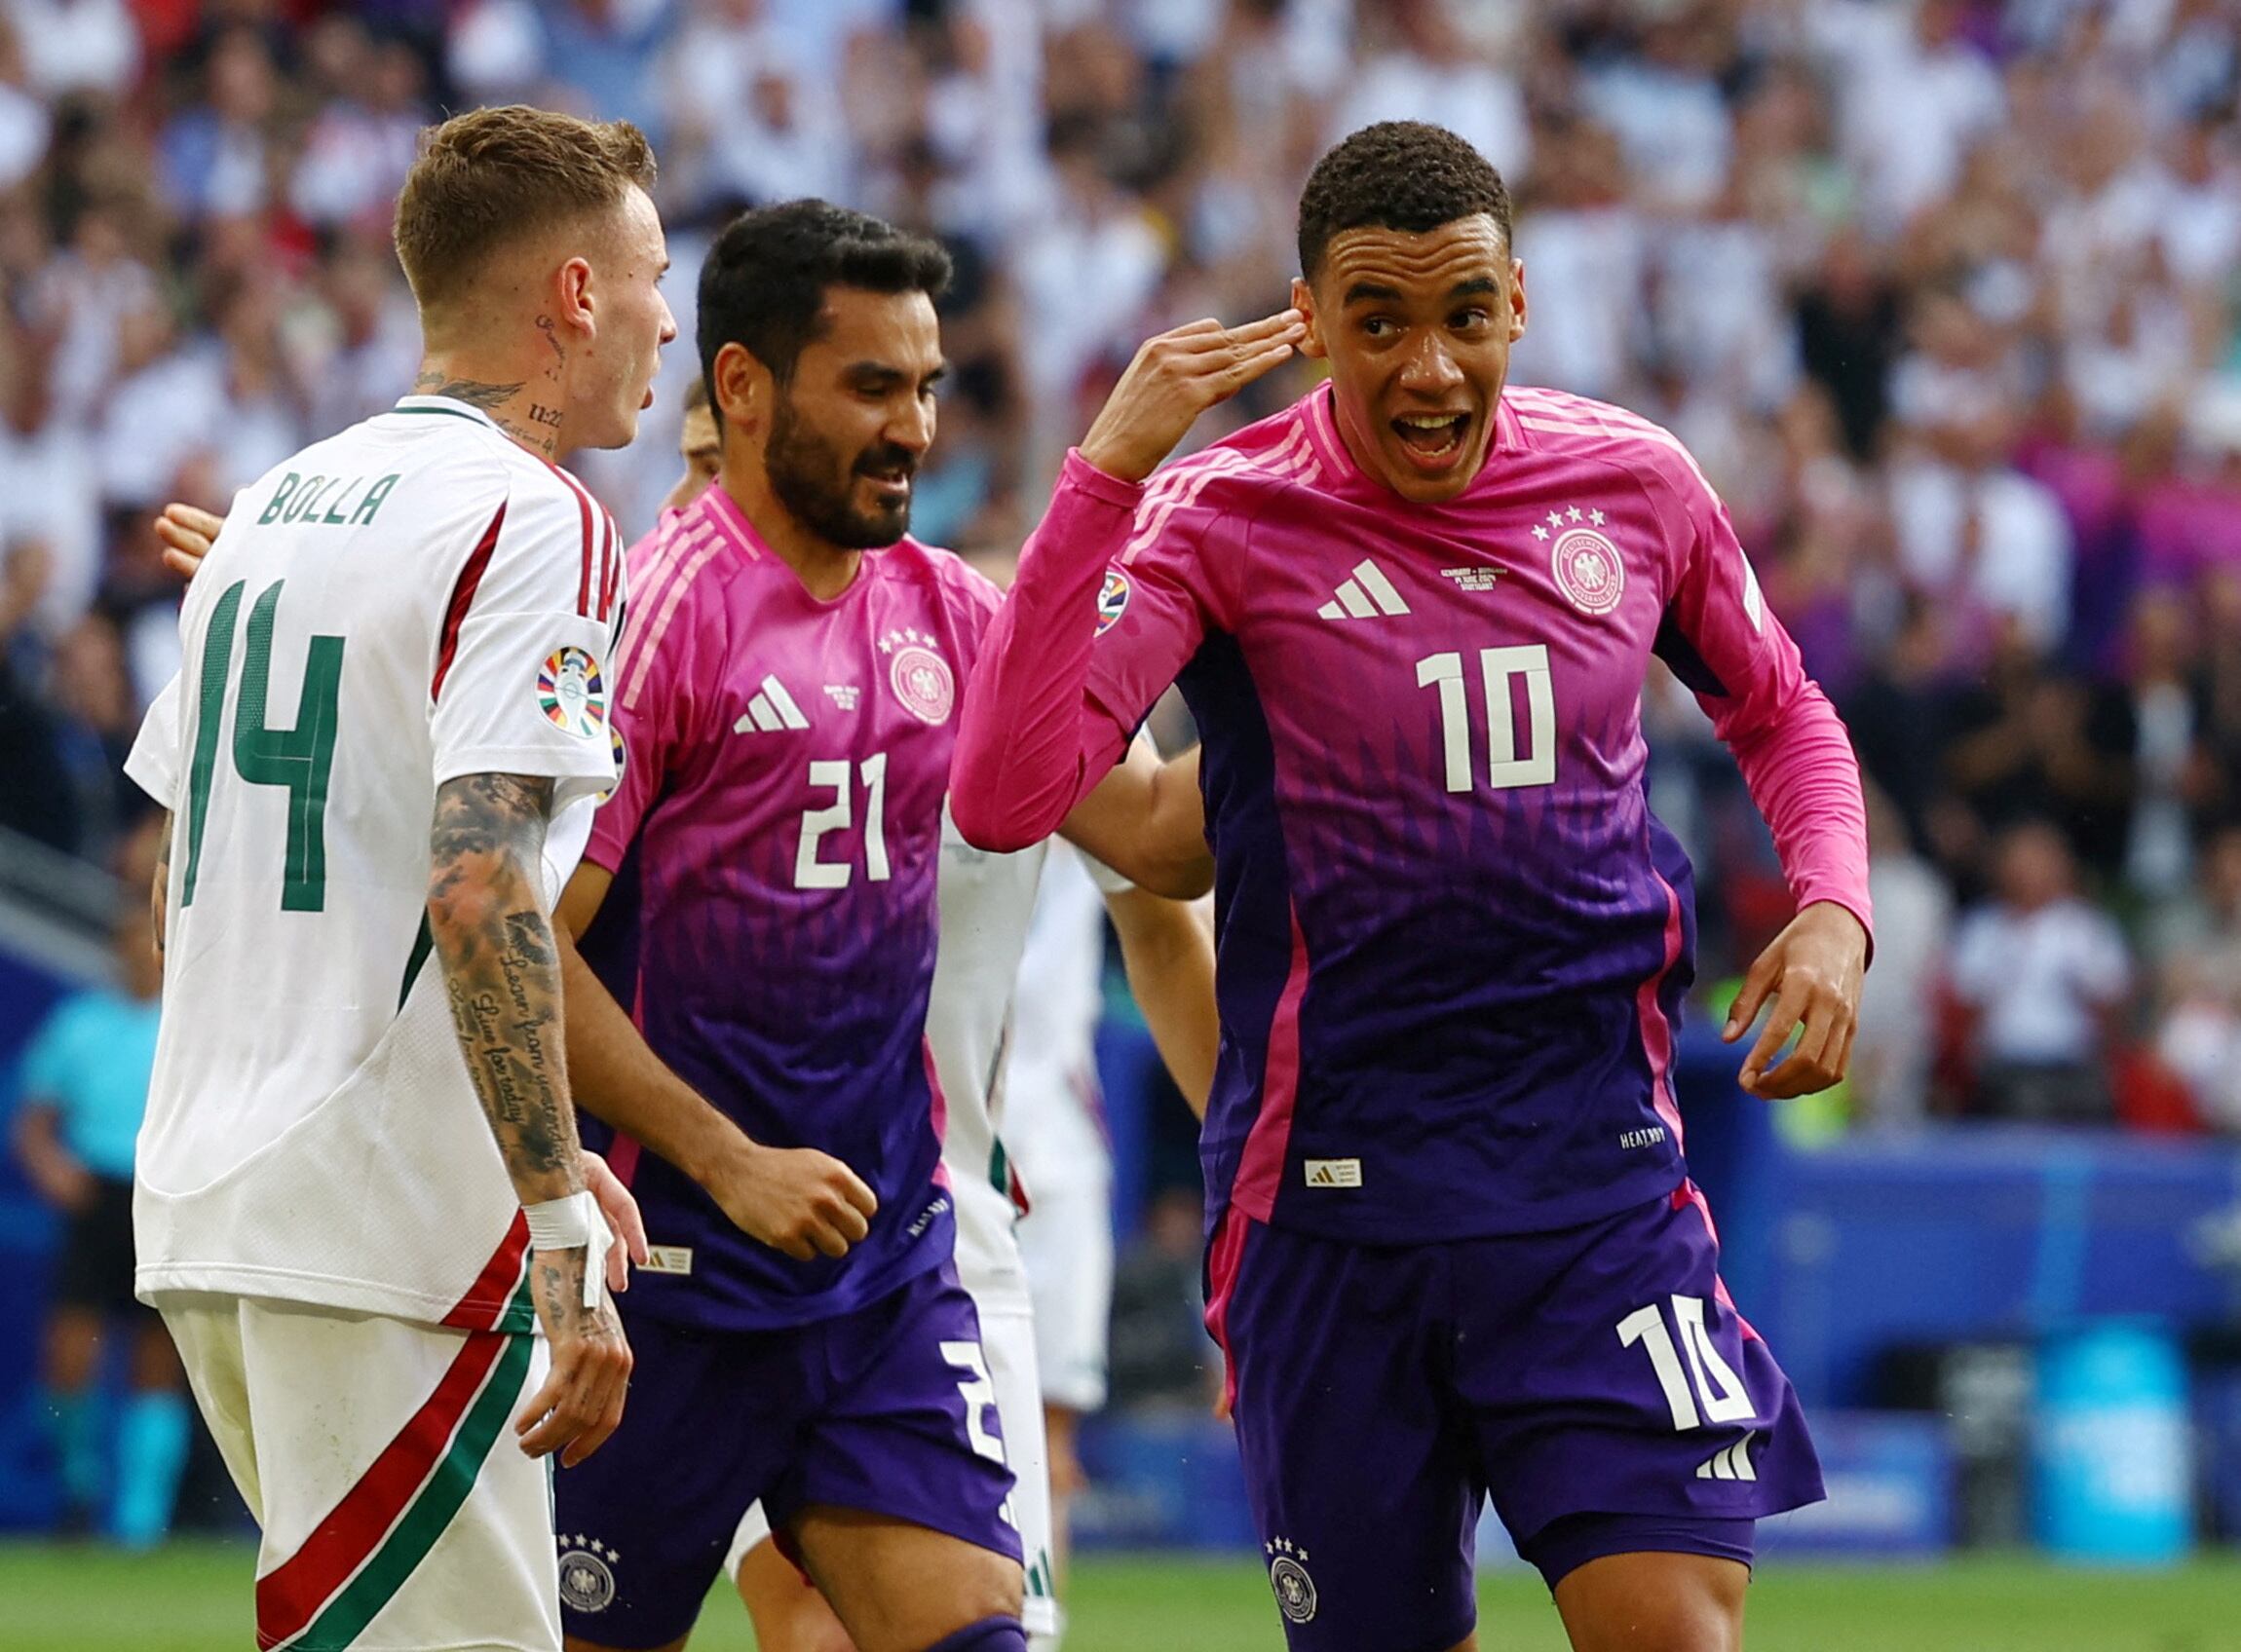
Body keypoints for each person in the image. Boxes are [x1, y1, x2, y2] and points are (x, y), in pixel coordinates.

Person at [952, 121, 1874, 1652]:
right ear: (1310, 323)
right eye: (1377, 322)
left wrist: (1833, 911)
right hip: (1333, 1214)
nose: (1429, 366)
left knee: (1675, 1628)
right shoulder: (1221, 514)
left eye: (1462, 316)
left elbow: (1781, 711)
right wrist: (1106, 475)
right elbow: (1005, 793)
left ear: (1516, 301)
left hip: (1593, 1185)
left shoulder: (1632, 485)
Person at [546, 199, 1207, 1652]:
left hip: (888, 1277)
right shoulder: (661, 616)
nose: (912, 426)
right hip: (675, 1287)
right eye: (869, 388)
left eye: (926, 388)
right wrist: (725, 1160)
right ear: (742, 389)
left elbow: (1156, 838)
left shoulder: (955, 614)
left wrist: (1325, 676)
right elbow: (525, 952)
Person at [121, 105, 667, 1652]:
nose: (665, 315)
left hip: (218, 1193)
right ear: (573, 293)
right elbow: (481, 886)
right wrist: (552, 1208)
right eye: (649, 270)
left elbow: (178, 893)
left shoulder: (273, 509)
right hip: (380, 1231)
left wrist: (520, 1129)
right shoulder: (536, 516)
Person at [14, 894, 187, 1547]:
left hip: (159, 1197)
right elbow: (34, 1119)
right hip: (96, 1198)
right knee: (68, 1358)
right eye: (126, 943)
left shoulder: (186, 1023)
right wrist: (52, 1169)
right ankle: (78, 1493)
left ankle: (142, 1521)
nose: (138, 956)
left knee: (156, 1361)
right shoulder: (80, 1023)